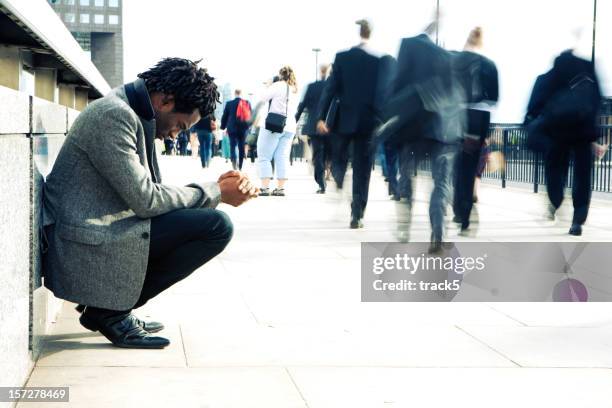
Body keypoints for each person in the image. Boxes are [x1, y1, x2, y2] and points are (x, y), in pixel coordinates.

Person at [42, 58, 258, 349]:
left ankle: (109, 307)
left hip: (95, 234)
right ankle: (108, 311)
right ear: (166, 100)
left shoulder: (133, 113)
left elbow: (151, 195)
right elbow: (147, 199)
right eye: (180, 126)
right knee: (215, 226)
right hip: (78, 249)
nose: (175, 135)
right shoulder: (113, 115)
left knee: (203, 222)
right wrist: (216, 191)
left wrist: (218, 189)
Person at [382, 20, 464, 252]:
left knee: (407, 174)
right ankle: (437, 233)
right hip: (444, 130)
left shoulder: (408, 50)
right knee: (441, 183)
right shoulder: (449, 59)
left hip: (414, 128)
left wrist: (389, 118)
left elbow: (395, 86)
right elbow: (457, 98)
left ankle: (404, 224)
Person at [316, 19, 392, 228]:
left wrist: (321, 117)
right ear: (371, 33)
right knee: (363, 167)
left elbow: (330, 89)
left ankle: (339, 179)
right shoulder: (380, 61)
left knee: (338, 157)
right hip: (369, 121)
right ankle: (357, 212)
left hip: (344, 119)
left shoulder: (342, 57)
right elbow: (384, 94)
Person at [525, 49, 602, 236]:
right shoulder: (588, 72)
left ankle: (556, 199)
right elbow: (597, 101)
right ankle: (578, 219)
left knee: (555, 171)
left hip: (556, 133)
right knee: (583, 176)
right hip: (583, 132)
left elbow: (533, 108)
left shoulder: (548, 78)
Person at [452, 27, 499, 235]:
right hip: (478, 120)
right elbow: (493, 98)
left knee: (456, 164)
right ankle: (465, 214)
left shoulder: (454, 61)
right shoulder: (489, 65)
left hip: (456, 117)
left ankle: (458, 208)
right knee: (470, 167)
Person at [255, 66, 300, 197]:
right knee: (282, 157)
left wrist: (268, 85)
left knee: (264, 156)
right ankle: (280, 189)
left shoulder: (278, 85)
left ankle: (265, 187)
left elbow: (262, 98)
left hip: (273, 125)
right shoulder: (295, 89)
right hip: (290, 127)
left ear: (280, 75)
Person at [296, 64, 331, 193]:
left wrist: (295, 120)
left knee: (318, 155)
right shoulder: (332, 86)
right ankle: (329, 173)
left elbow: (302, 105)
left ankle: (321, 183)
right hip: (330, 125)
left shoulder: (311, 87)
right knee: (328, 153)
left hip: (314, 126)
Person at [221, 89, 252, 170]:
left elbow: (225, 116)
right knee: (241, 146)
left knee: (233, 145)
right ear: (242, 94)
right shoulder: (247, 103)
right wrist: (249, 127)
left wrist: (223, 126)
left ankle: (234, 162)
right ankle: (240, 165)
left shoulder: (229, 103)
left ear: (235, 94)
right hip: (244, 128)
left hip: (232, 128)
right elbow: (251, 116)